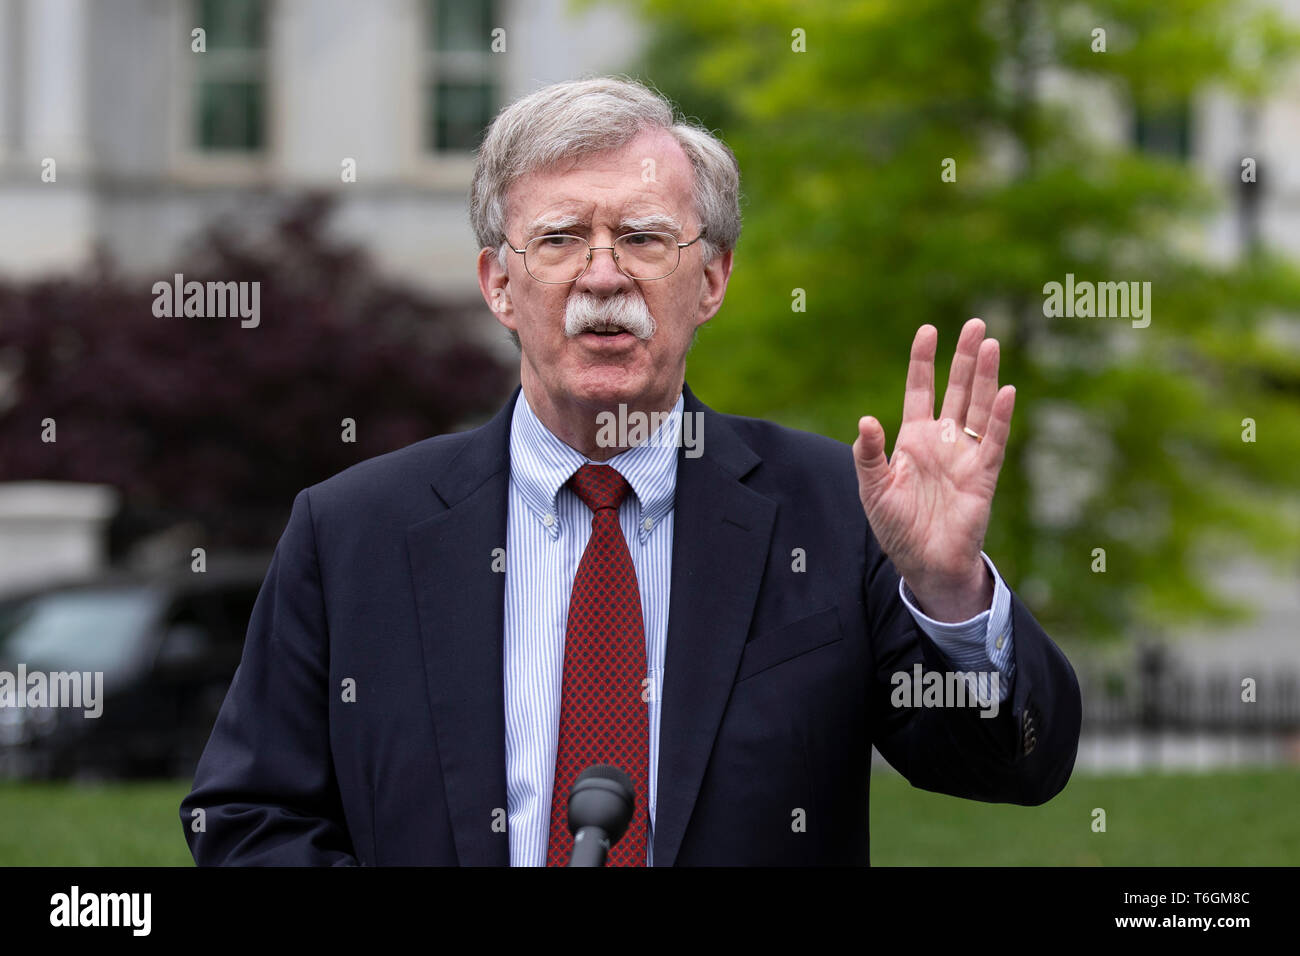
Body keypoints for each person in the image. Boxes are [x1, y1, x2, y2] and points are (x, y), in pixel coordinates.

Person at [181, 75, 1081, 866]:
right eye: (563, 238)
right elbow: (247, 816)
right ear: (499, 283)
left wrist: (952, 592)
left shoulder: (837, 512)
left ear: (714, 279)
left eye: (645, 240)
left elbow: (1012, 768)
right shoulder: (351, 534)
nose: (602, 278)